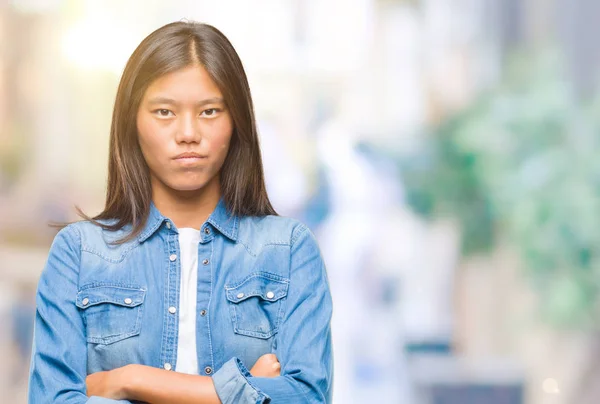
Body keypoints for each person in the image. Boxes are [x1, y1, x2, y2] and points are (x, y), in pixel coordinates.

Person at [28, 21, 333, 404]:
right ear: (132, 123)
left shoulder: (288, 249)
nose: (188, 132)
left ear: (235, 121)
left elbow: (305, 397)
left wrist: (130, 380)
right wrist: (240, 391)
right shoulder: (79, 253)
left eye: (209, 111)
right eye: (164, 112)